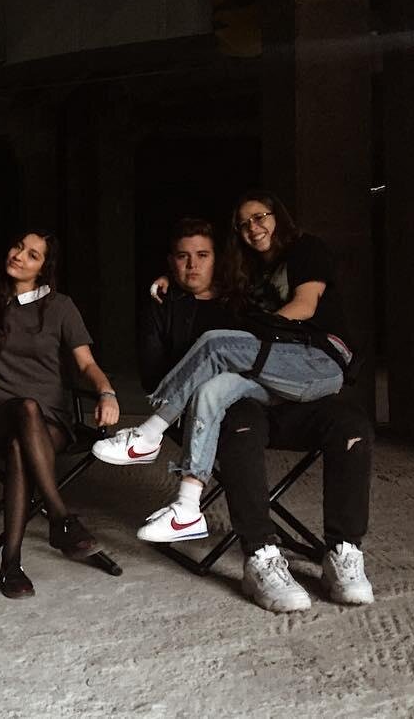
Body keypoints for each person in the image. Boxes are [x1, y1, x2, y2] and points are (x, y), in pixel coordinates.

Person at [119, 215, 374, 612]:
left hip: (277, 397)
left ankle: (343, 551)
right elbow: (155, 379)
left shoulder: (245, 299)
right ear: (171, 262)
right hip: (214, 412)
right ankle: (261, 555)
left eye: (202, 255)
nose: (192, 265)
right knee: (242, 426)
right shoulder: (163, 307)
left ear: (217, 259)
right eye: (183, 257)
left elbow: (286, 337)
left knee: (350, 425)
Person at [93, 191, 355, 544]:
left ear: (278, 216)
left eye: (260, 217)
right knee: (212, 389)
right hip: (276, 370)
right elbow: (209, 275)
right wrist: (170, 278)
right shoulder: (251, 271)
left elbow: (305, 306)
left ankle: (149, 434)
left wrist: (250, 339)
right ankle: (187, 508)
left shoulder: (306, 249)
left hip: (318, 359)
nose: (253, 227)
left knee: (217, 343)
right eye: (243, 224)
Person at [0, 231, 120, 599]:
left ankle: (10, 564)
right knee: (25, 409)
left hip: (51, 419)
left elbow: (86, 363)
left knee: (19, 447)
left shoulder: (61, 307)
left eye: (32, 255)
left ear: (44, 268)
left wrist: (106, 392)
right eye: (17, 247)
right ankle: (60, 518)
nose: (19, 256)